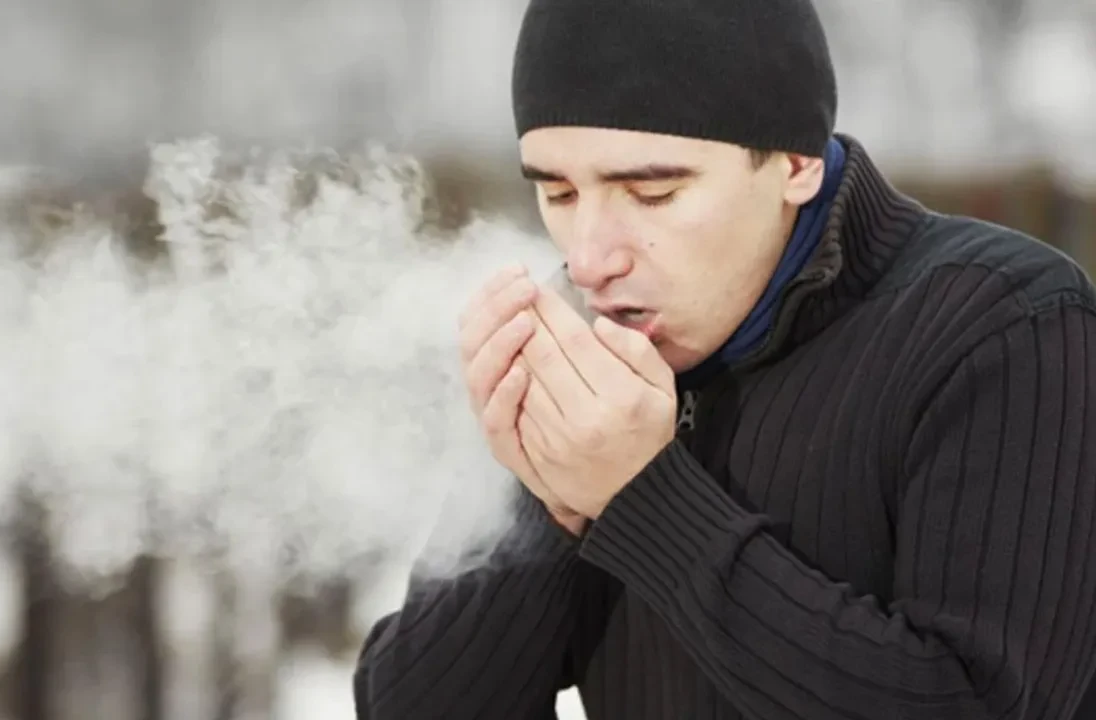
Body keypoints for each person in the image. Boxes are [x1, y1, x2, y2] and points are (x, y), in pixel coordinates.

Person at [353, 0, 1096, 717]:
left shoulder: (1004, 325)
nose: (588, 259)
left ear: (797, 162)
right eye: (559, 192)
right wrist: (544, 496)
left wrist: (643, 498)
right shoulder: (579, 348)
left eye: (652, 193)